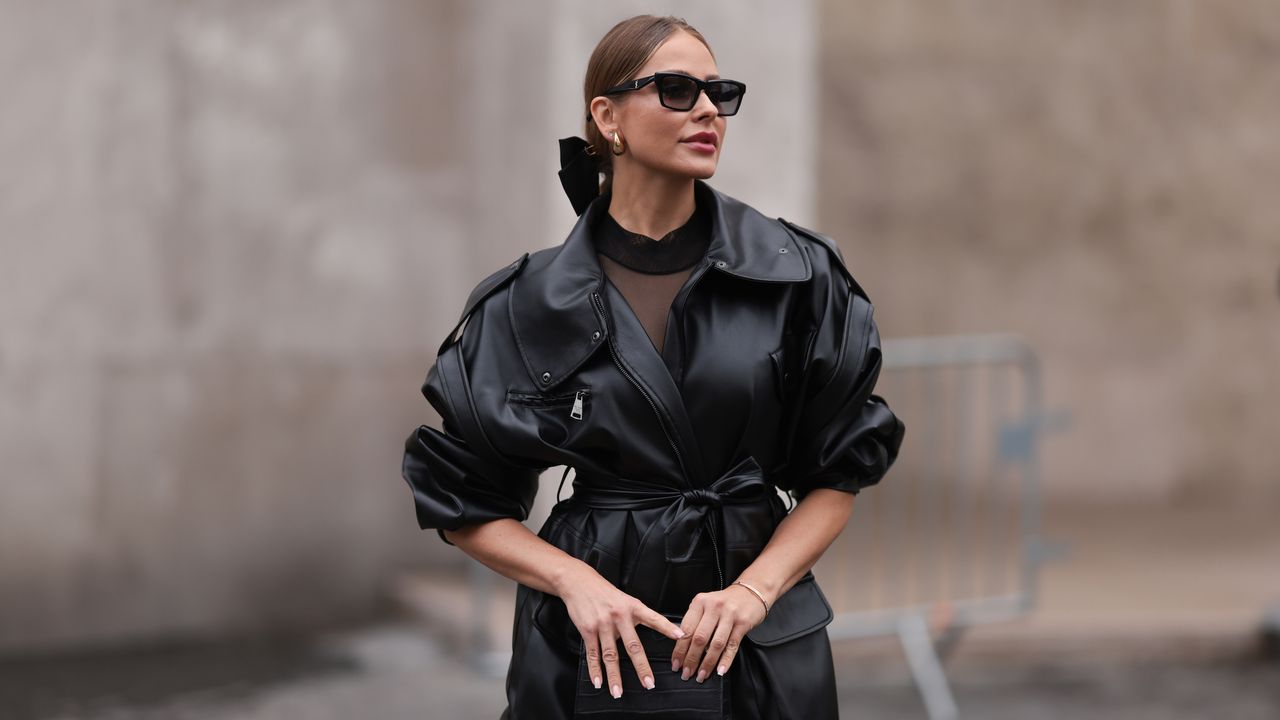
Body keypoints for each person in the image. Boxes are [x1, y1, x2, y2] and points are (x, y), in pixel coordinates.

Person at [402, 14, 905, 719]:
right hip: (594, 648)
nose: (706, 109)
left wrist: (753, 594)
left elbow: (838, 472)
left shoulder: (795, 274)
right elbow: (464, 497)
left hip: (759, 642)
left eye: (717, 92)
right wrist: (575, 583)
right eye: (675, 89)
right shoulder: (526, 303)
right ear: (606, 117)